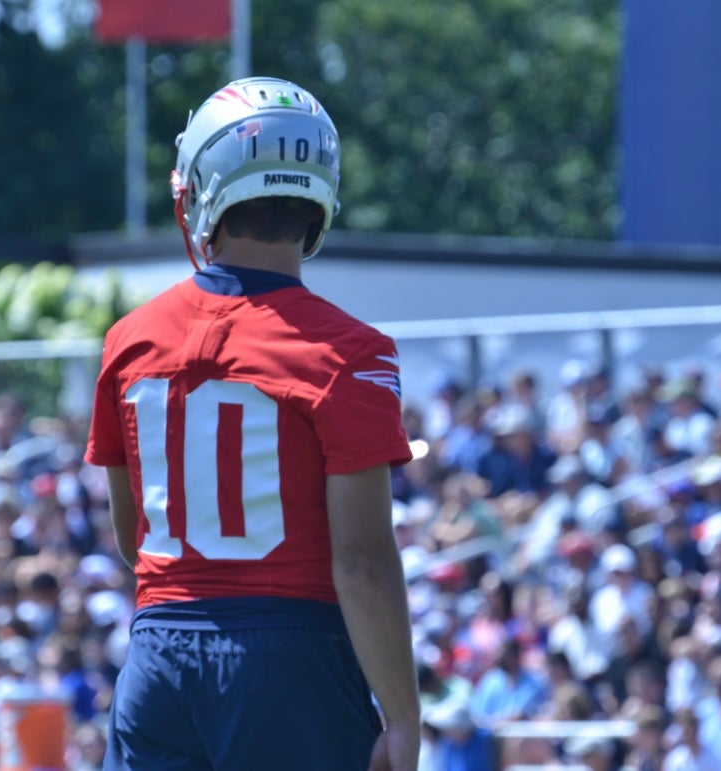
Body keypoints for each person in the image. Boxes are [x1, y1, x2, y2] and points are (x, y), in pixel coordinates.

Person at [86, 77, 419, 771]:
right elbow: (360, 559)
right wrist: (402, 713)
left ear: (204, 185)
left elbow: (130, 537)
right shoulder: (351, 351)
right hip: (288, 662)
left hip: (158, 653)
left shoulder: (129, 339)